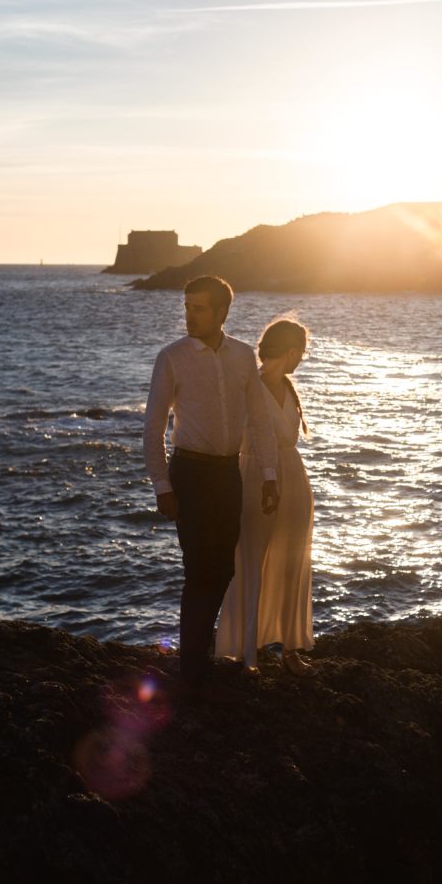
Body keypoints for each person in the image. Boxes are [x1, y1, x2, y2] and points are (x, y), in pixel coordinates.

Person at [143, 275, 279, 694]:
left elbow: (258, 419)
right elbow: (152, 426)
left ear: (222, 312)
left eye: (198, 308)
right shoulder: (172, 357)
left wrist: (270, 475)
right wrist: (162, 485)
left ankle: (197, 659)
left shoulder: (242, 356)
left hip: (227, 474)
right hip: (191, 474)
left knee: (221, 569)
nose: (189, 315)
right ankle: (192, 673)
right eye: (187, 307)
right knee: (199, 570)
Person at [216, 318, 314, 677]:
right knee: (250, 563)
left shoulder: (289, 388)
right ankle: (249, 651)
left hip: (295, 479)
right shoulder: (248, 386)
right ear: (290, 352)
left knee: (293, 563)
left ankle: (290, 651)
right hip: (254, 476)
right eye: (300, 352)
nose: (301, 359)